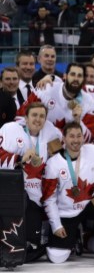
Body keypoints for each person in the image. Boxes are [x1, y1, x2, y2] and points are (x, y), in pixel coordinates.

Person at [42, 121, 94, 265]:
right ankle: (81, 239)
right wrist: (56, 225)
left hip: (90, 207)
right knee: (57, 258)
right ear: (64, 139)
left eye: (79, 136)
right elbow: (49, 199)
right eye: (72, 136)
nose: (76, 140)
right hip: (66, 213)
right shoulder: (53, 164)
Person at [0, 102, 61, 260]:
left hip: (36, 196)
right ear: (25, 118)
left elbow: (60, 158)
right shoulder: (11, 130)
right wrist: (18, 158)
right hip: (12, 193)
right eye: (34, 115)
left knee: (32, 239)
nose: (38, 119)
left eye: (42, 116)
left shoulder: (51, 133)